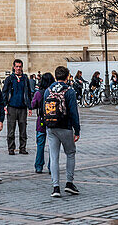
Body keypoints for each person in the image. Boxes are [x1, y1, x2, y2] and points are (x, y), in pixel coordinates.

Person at [42, 65, 81, 197]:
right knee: (70, 153)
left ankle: (55, 187)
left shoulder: (48, 90)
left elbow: (43, 110)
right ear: (67, 76)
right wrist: (77, 130)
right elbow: (74, 112)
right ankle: (69, 183)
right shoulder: (69, 91)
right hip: (65, 127)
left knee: (54, 157)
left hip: (51, 127)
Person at [1, 58, 34, 155]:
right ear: (13, 67)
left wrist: (30, 107)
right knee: (11, 129)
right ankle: (11, 148)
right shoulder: (9, 79)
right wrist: (4, 105)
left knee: (23, 129)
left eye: (20, 66)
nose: (18, 68)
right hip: (11, 107)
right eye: (17, 66)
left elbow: (28, 93)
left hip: (22, 107)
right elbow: (4, 92)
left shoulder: (25, 79)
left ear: (22, 67)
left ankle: (22, 148)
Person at [31, 72, 55, 174]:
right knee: (52, 145)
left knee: (40, 144)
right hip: (53, 122)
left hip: (41, 121)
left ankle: (39, 166)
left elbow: (33, 105)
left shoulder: (39, 93)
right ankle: (51, 167)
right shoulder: (54, 92)